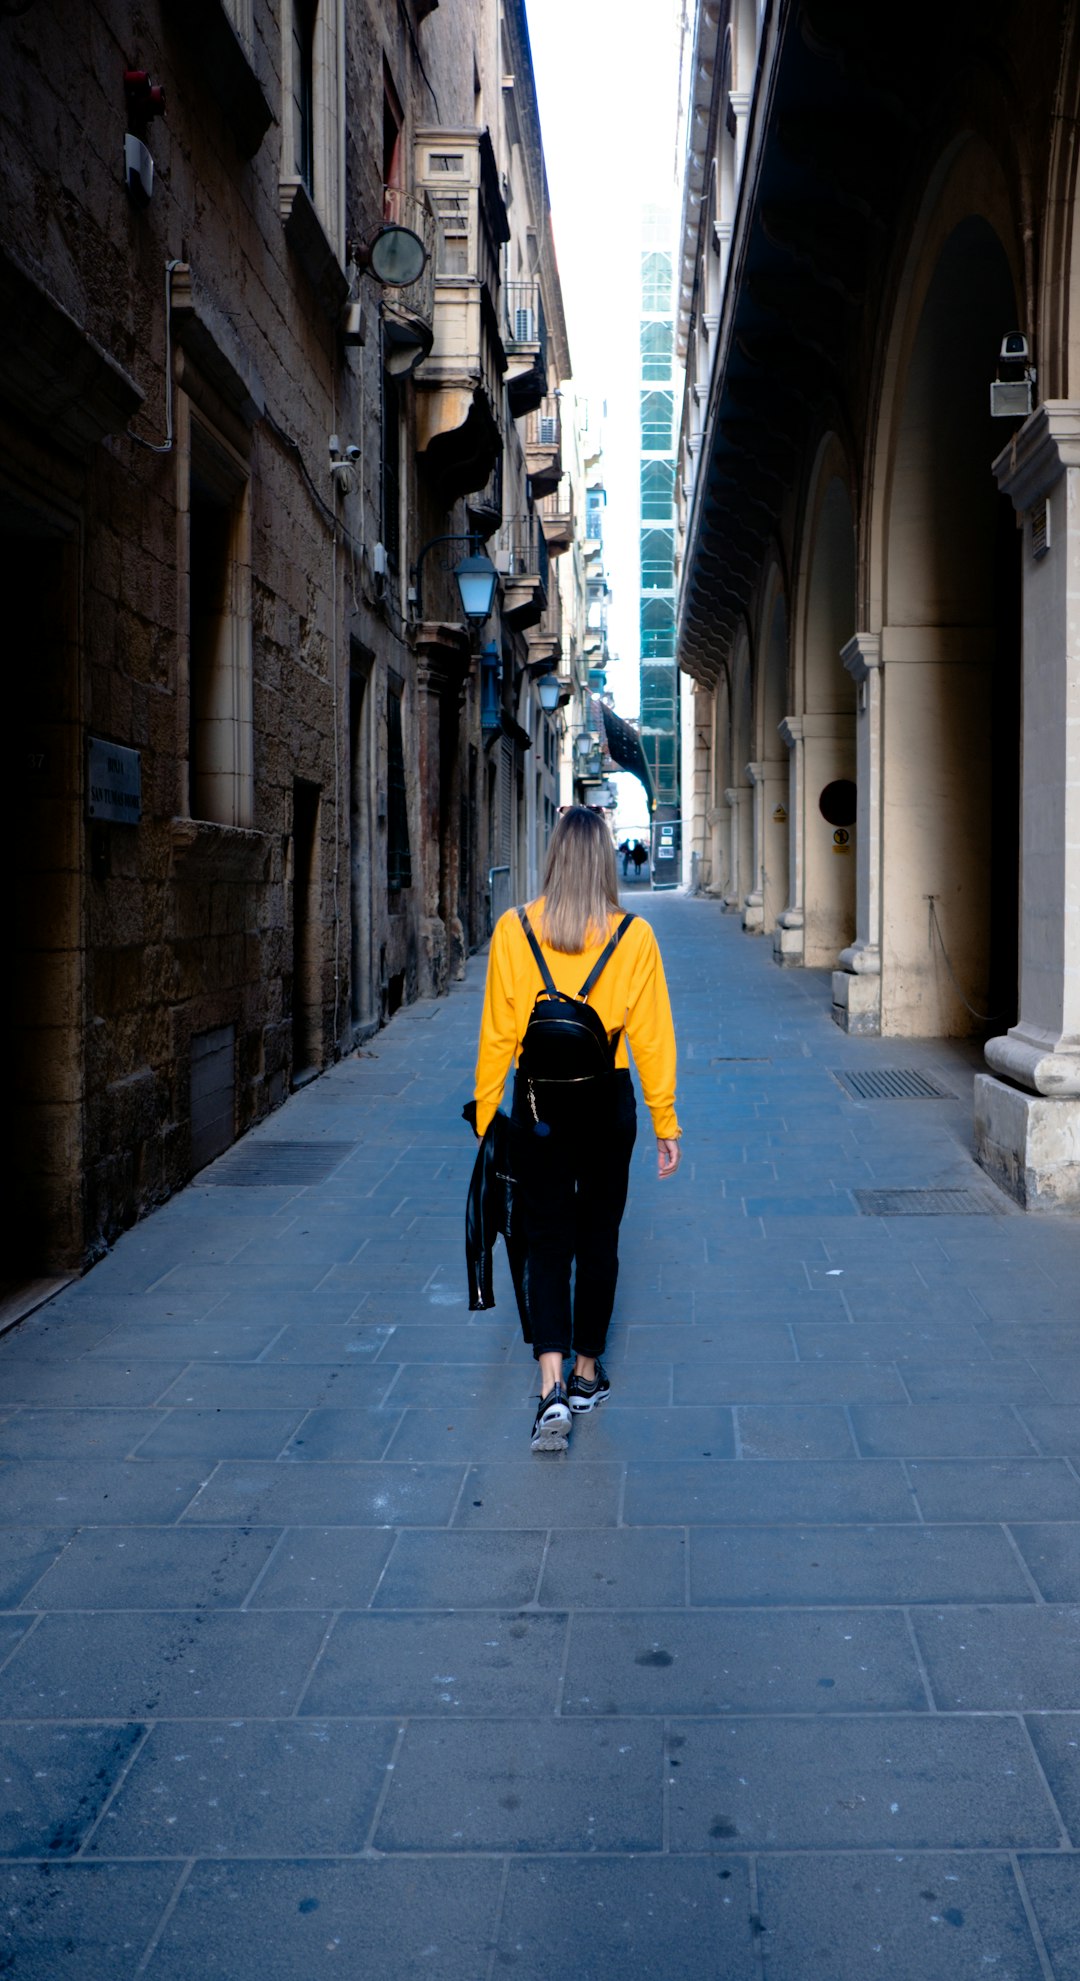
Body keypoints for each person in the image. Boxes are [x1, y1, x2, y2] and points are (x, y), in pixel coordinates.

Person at [472, 806, 681, 1453]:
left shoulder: (514, 930)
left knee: (545, 1241)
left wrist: (487, 1118)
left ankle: (549, 1386)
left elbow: (498, 1032)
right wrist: (665, 1119)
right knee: (598, 1238)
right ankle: (589, 1371)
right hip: (608, 1103)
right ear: (606, 861)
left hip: (538, 1107)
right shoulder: (635, 936)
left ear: (554, 858)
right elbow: (652, 1037)